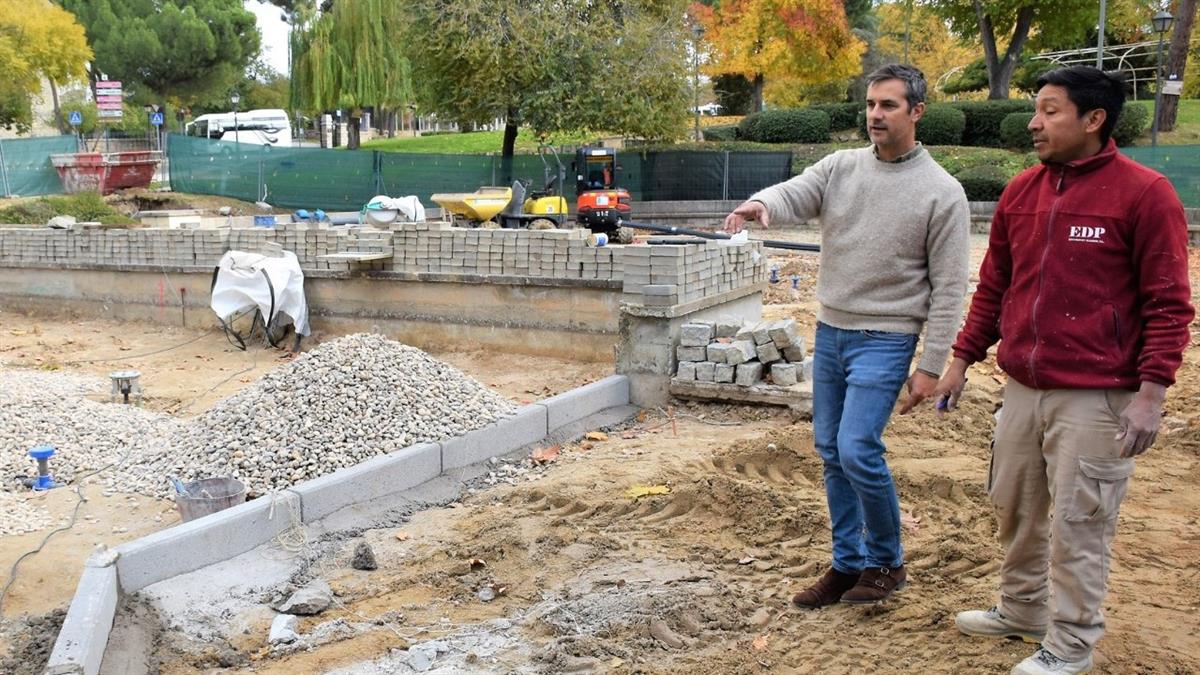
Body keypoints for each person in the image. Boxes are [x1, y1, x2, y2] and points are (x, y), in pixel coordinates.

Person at [937, 66, 1193, 675]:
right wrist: (960, 360)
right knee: (1015, 506)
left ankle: (1072, 644)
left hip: (1098, 395)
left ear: (1094, 119)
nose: (1034, 123)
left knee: (1082, 522)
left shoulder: (1144, 194)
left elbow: (1168, 303)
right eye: (1037, 110)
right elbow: (995, 287)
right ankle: (1022, 609)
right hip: (1023, 387)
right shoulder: (1022, 192)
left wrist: (1151, 394)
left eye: (1050, 111)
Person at [724, 64, 970, 607]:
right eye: (871, 104)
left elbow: (951, 287)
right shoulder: (842, 166)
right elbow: (798, 190)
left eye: (889, 105)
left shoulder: (942, 192)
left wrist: (931, 365)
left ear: (917, 112)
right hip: (832, 330)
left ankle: (886, 562)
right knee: (832, 451)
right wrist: (763, 203)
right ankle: (847, 564)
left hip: (887, 337)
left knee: (857, 449)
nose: (875, 115)